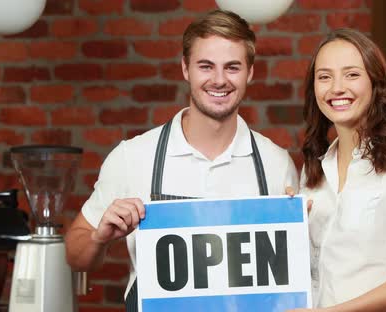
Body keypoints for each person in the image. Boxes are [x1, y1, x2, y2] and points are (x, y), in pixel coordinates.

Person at [65, 9, 299, 312]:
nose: (219, 80)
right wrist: (99, 238)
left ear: (250, 73)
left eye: (232, 67)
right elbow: (75, 253)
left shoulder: (276, 164)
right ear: (185, 69)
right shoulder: (133, 156)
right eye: (206, 66)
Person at [290, 28, 386, 312]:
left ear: (375, 82)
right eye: (324, 77)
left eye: (352, 74)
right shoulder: (314, 169)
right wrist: (286, 222)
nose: (336, 88)